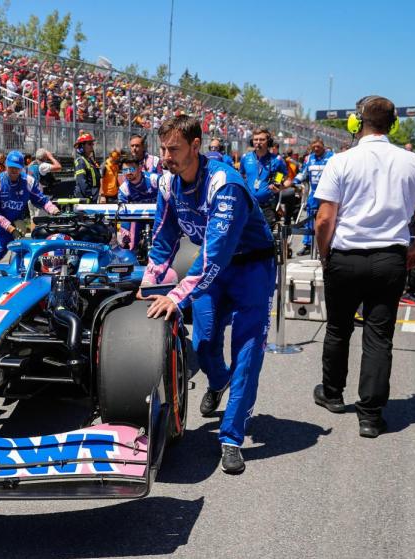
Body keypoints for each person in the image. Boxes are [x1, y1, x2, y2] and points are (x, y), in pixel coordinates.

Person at [139, 115, 275, 474]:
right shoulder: (168, 182)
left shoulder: (224, 184)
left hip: (251, 268)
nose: (166, 155)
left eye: (174, 149)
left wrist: (176, 295)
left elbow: (215, 253)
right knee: (203, 342)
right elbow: (163, 237)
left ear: (196, 147)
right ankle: (218, 381)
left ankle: (231, 437)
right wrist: (150, 283)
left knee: (246, 352)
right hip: (213, 267)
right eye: (163, 148)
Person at [312, 95, 415, 438]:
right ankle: (370, 415)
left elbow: (324, 219)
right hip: (390, 259)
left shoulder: (341, 161)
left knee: (338, 328)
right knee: (379, 335)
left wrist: (325, 254)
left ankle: (333, 393)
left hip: (346, 256)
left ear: (358, 123)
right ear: (393, 124)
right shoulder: (412, 162)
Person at [0, 150, 61, 264]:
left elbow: (41, 199)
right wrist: (11, 229)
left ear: (22, 168)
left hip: (13, 225)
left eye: (17, 167)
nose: (14, 170)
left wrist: (53, 210)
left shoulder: (28, 181)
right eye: (11, 167)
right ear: (6, 165)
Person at [239, 128, 289, 230]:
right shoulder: (245, 158)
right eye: (256, 139)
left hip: (268, 206)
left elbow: (286, 179)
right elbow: (241, 176)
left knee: (266, 239)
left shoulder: (277, 160)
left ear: (268, 142)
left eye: (262, 140)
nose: (258, 142)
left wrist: (279, 187)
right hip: (248, 206)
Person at [291, 138, 334, 256]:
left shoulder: (332, 157)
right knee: (309, 219)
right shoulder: (310, 158)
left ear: (323, 146)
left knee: (328, 220)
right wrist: (295, 181)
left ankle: (328, 244)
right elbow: (303, 172)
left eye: (318, 147)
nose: (316, 149)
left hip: (328, 194)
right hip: (313, 194)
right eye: (314, 147)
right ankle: (308, 245)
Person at [116, 156, 158, 251]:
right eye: (125, 170)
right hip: (139, 218)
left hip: (158, 217)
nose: (128, 172)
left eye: (131, 169)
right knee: (130, 243)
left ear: (139, 168)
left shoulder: (153, 179)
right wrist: (124, 230)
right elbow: (123, 211)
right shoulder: (124, 188)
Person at [73, 132, 101, 202]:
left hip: (94, 194)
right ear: (82, 146)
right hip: (85, 197)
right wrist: (90, 195)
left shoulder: (90, 160)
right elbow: (82, 181)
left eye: (92, 144)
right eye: (89, 144)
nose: (92, 146)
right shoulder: (80, 161)